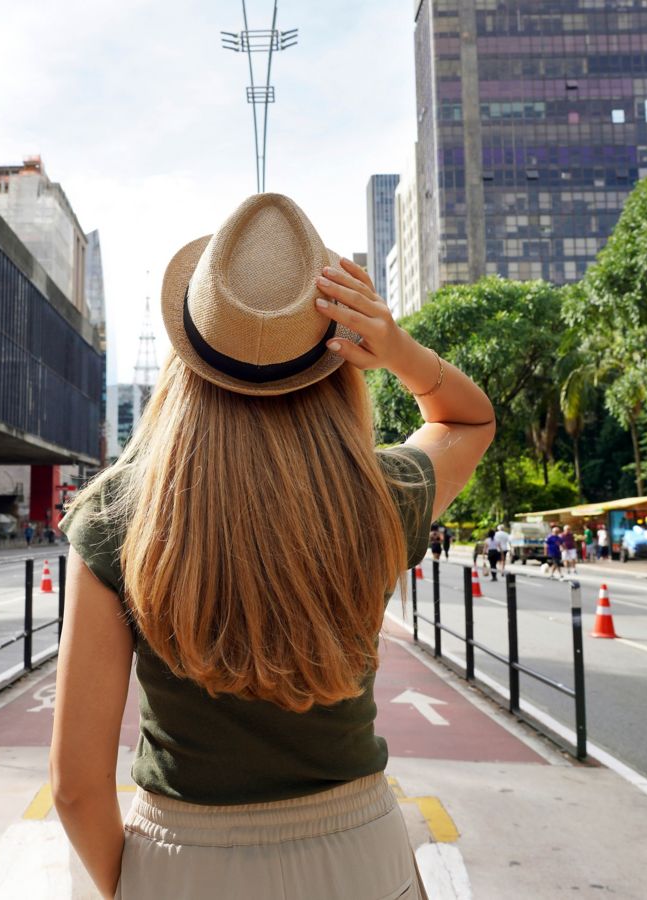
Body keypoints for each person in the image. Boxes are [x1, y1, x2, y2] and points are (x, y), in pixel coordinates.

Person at [51, 195, 495, 900]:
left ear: (187, 357)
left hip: (182, 859)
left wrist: (135, 887)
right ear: (338, 358)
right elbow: (468, 419)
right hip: (359, 856)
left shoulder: (117, 513)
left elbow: (76, 788)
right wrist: (398, 348)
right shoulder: (384, 493)